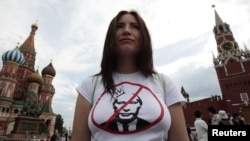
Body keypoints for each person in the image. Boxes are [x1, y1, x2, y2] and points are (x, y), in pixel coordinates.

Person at [71, 10, 189, 141]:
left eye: (135, 27)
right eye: (119, 26)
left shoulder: (165, 83)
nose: (126, 31)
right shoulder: (89, 86)